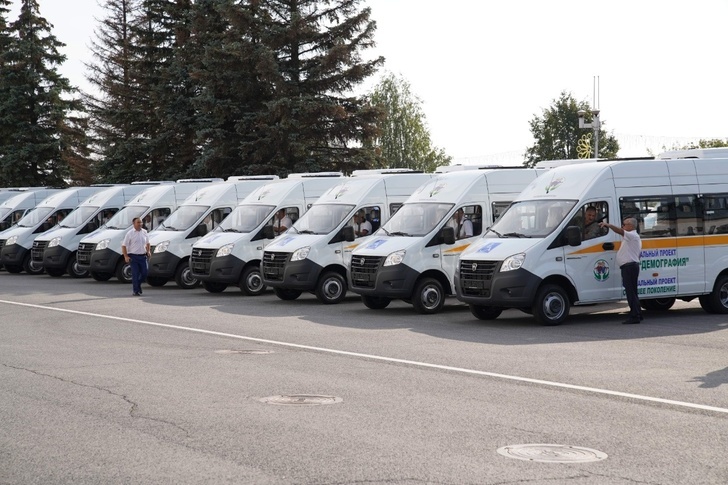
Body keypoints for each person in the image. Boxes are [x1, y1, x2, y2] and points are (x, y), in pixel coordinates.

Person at [600, 217, 642, 324]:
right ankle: (637, 313)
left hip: (629, 267)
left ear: (631, 226)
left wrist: (608, 225)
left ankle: (634, 316)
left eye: (625, 224)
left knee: (630, 292)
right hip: (630, 266)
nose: (623, 226)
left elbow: (619, 231)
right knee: (633, 291)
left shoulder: (631, 235)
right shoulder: (632, 237)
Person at [121, 217, 151, 296]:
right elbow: (124, 246)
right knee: (135, 274)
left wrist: (148, 251)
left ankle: (138, 285)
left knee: (145, 273)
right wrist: (126, 256)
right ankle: (136, 290)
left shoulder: (144, 232)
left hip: (143, 256)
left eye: (141, 222)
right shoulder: (130, 233)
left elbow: (148, 243)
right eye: (138, 222)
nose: (140, 224)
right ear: (133, 224)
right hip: (133, 257)